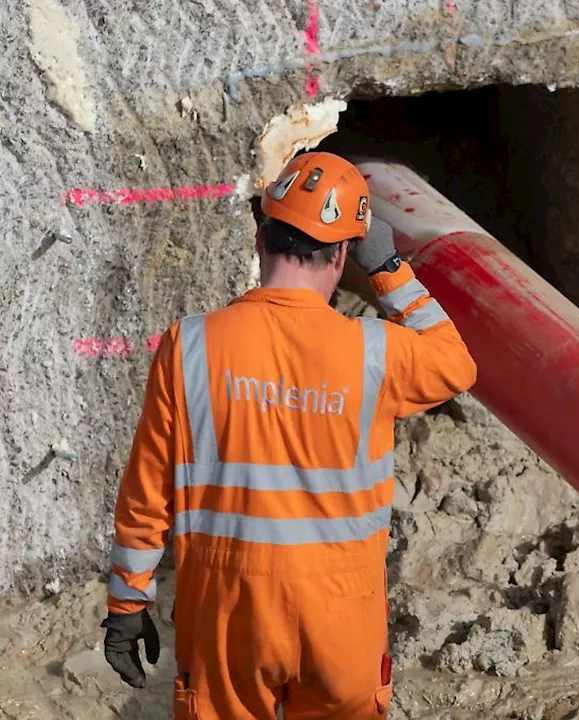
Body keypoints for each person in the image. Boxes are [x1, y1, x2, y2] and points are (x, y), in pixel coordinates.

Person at [99, 151, 478, 719]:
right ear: (344, 252)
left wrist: (128, 600)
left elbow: (148, 489)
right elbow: (457, 365)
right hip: (343, 616)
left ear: (260, 240)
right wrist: (390, 270)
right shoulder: (375, 352)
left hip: (228, 613)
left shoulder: (190, 347)